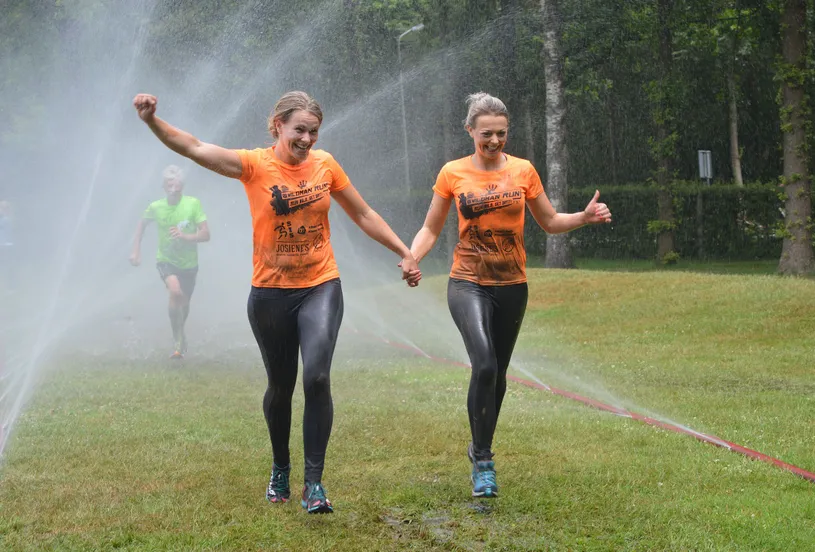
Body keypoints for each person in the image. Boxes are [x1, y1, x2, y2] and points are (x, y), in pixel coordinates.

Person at [132, 90, 420, 514]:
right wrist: (153, 121)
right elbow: (193, 147)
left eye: (314, 132)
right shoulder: (253, 165)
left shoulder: (326, 165)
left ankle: (315, 484)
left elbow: (362, 213)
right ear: (278, 126)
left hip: (320, 284)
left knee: (317, 377)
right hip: (269, 293)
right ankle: (281, 467)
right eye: (299, 129)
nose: (307, 139)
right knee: (281, 387)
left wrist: (404, 250)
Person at [409, 92, 612, 499]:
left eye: (501, 133)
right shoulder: (453, 172)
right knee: (483, 364)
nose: (494, 141)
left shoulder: (523, 171)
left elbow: (551, 221)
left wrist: (584, 218)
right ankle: (483, 460)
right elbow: (431, 228)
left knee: (497, 374)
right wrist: (412, 257)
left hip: (512, 285)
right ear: (470, 131)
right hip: (467, 281)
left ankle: (479, 444)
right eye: (486, 133)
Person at [130, 165, 211, 359]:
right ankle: (177, 340)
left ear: (182, 186)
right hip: (165, 260)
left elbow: (206, 234)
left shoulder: (193, 204)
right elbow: (141, 225)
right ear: (163, 186)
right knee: (175, 291)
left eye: (176, 183)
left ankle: (180, 334)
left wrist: (184, 236)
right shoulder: (156, 207)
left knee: (184, 302)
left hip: (189, 263)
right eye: (169, 183)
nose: (173, 187)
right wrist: (135, 250)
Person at [0, 200, 15, 293]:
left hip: (5, 246)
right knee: (5, 267)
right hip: (4, 245)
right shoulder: (4, 219)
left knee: (6, 267)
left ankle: (8, 287)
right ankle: (7, 286)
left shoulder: (5, 220)